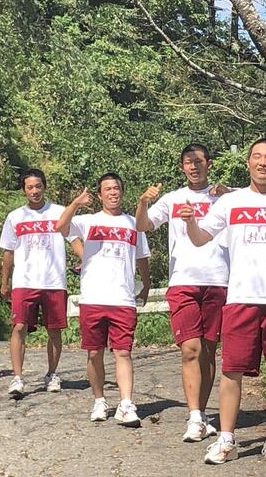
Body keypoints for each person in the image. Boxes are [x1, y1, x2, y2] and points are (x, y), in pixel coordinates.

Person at [180, 138, 266, 464]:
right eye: (257, 157)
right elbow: (200, 239)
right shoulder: (231, 202)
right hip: (241, 297)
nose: (263, 163)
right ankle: (227, 439)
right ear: (248, 163)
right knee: (232, 370)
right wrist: (190, 222)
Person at [135, 143, 229, 442]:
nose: (193, 166)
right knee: (191, 348)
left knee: (209, 350)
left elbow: (253, 200)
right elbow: (143, 226)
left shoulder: (225, 197)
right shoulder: (172, 199)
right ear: (182, 167)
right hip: (183, 281)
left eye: (198, 161)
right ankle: (194, 416)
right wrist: (143, 202)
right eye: (188, 162)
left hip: (218, 279)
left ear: (209, 164)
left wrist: (228, 191)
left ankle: (202, 414)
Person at [56, 172, 151, 427]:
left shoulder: (134, 223)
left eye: (116, 188)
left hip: (123, 298)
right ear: (100, 195)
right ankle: (99, 399)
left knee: (124, 352)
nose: (113, 193)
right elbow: (61, 227)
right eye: (107, 189)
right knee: (94, 352)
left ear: (123, 192)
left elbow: (142, 256)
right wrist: (75, 204)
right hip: (93, 297)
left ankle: (126, 403)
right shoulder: (88, 221)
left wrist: (146, 283)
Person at [0, 169, 84, 399]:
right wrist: (5, 281)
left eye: (38, 186)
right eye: (30, 187)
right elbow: (8, 252)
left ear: (44, 187)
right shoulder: (15, 217)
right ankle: (18, 377)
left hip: (54, 281)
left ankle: (52, 374)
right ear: (24, 190)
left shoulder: (59, 213)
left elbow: (74, 240)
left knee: (54, 329)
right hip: (24, 281)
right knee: (19, 327)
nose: (34, 191)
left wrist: (86, 260)